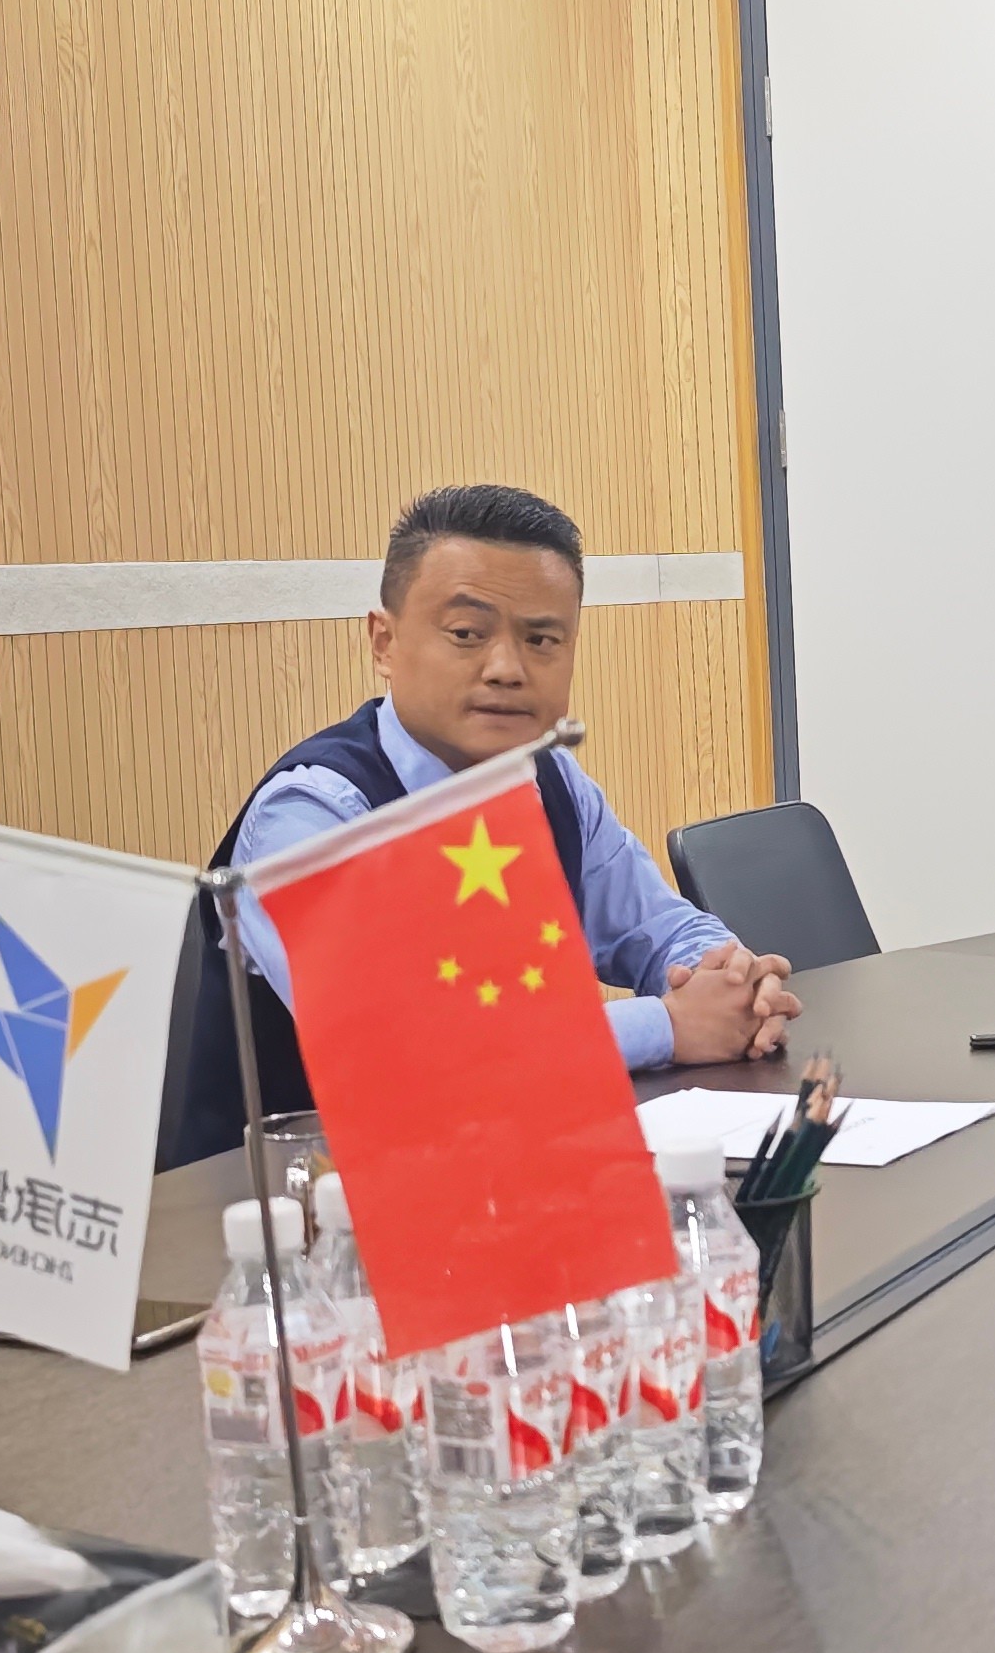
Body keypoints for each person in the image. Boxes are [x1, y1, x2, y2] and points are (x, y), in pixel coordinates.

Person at [167, 484, 800, 1165]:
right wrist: (667, 1027)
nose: (506, 669)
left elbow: (656, 927)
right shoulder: (313, 814)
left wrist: (731, 980)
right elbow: (402, 1058)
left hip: (510, 1167)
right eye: (467, 635)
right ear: (384, 642)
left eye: (541, 639)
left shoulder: (550, 780)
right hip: (304, 1199)